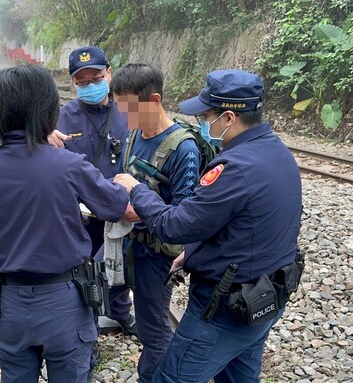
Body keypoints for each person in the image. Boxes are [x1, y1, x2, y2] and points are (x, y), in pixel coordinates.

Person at [114, 69, 302, 383]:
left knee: (173, 378)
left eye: (206, 114)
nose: (202, 121)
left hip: (225, 308)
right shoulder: (277, 152)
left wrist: (137, 189)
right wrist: (195, 251)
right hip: (266, 296)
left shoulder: (234, 168)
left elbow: (175, 226)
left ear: (229, 118)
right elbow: (248, 221)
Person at [0, 65, 129, 383]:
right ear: (48, 110)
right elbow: (115, 205)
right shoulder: (69, 165)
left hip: (8, 303)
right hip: (66, 301)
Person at [111, 63, 201, 383]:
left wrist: (135, 211)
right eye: (120, 109)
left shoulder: (183, 149)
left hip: (156, 255)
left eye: (130, 109)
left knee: (153, 329)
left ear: (154, 100)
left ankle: (154, 377)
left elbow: (185, 216)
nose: (125, 118)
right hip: (127, 243)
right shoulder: (134, 135)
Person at [49, 46, 137, 337]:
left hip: (123, 208)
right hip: (83, 213)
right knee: (84, 274)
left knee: (120, 265)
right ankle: (86, 330)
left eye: (96, 78)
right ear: (73, 83)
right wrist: (45, 137)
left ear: (109, 74)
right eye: (82, 82)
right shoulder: (63, 117)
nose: (90, 86)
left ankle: (120, 313)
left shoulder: (128, 109)